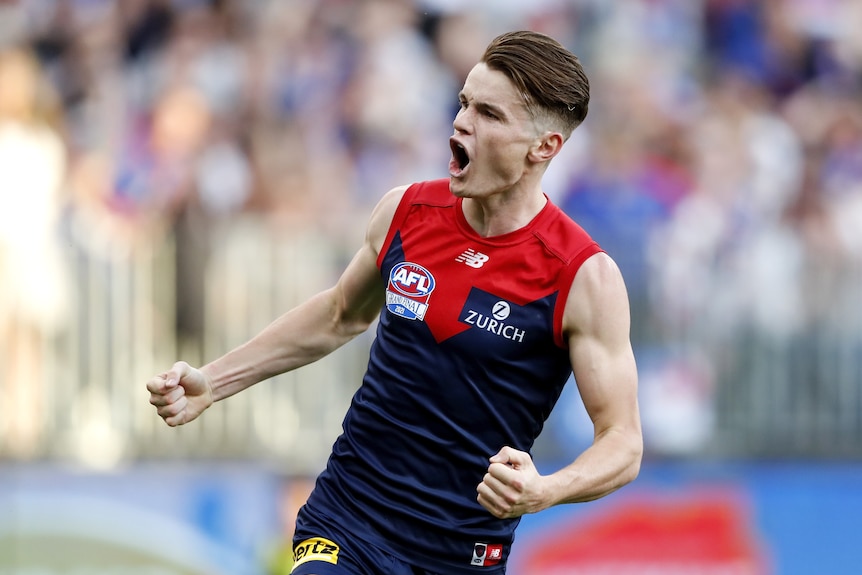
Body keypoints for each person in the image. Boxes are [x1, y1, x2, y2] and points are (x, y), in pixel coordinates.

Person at [147, 30, 642, 575]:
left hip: (459, 554)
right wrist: (214, 381)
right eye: (463, 103)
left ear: (544, 147)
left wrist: (546, 490)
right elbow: (340, 314)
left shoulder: (581, 275)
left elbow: (622, 442)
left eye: (489, 114)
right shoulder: (406, 211)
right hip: (347, 520)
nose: (461, 122)